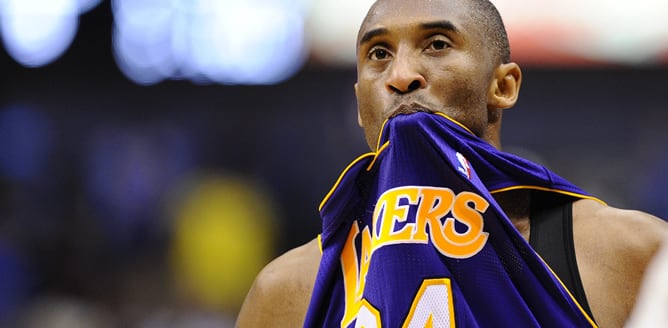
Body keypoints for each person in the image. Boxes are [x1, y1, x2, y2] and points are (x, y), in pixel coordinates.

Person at [236, 0, 668, 327]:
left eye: (437, 44)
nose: (401, 75)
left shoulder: (630, 254)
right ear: (358, 104)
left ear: (503, 85)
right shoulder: (286, 293)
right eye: (379, 54)